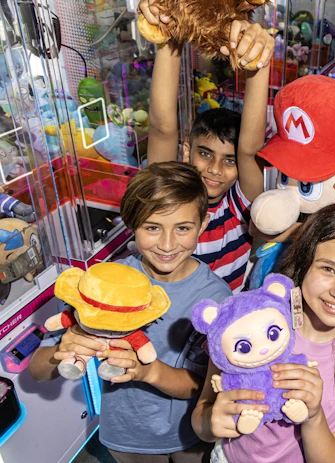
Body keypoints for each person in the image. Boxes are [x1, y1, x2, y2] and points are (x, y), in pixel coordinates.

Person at [29, 162, 233, 462]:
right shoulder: (104, 283)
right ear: (131, 223)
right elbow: (37, 370)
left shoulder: (216, 298)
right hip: (126, 436)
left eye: (182, 228)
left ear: (202, 224)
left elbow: (203, 386)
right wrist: (63, 348)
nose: (167, 244)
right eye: (152, 227)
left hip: (190, 434)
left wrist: (149, 371)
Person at [191, 203, 335, 463]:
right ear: (303, 265)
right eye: (328, 269)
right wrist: (211, 422)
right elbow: (201, 419)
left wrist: (314, 416)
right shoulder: (248, 322)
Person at [141, 0, 274, 292]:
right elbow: (162, 129)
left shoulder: (238, 207)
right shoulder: (168, 195)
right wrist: (169, 31)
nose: (215, 169)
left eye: (229, 160)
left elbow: (249, 150)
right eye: (205, 154)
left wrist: (258, 61)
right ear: (187, 151)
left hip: (223, 318)